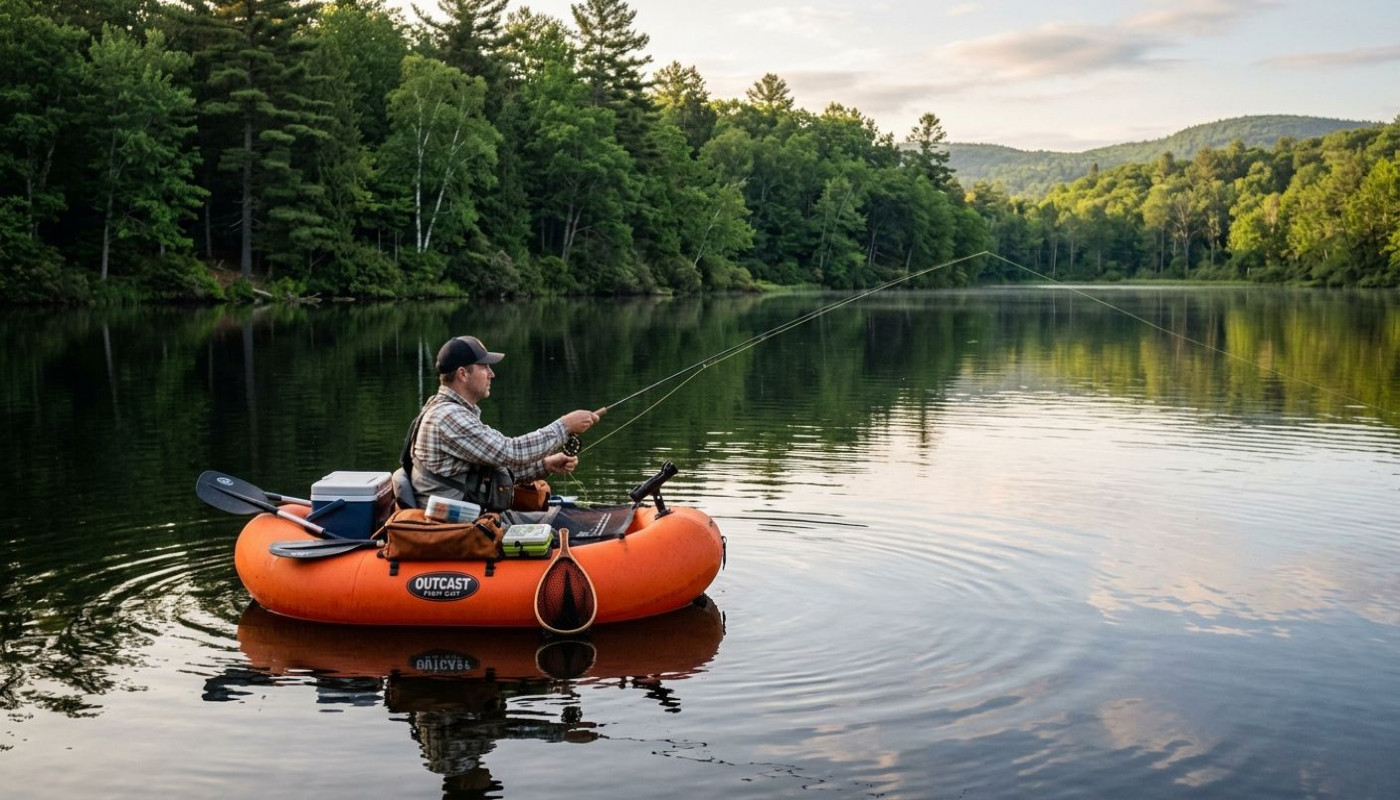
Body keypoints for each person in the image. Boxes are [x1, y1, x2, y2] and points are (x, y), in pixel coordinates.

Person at [405, 335, 603, 509]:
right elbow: (510, 452)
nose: (492, 374)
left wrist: (544, 466)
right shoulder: (448, 417)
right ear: (462, 374)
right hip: (456, 530)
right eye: (485, 367)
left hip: (466, 520)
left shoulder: (448, 411)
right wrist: (564, 426)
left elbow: (491, 468)